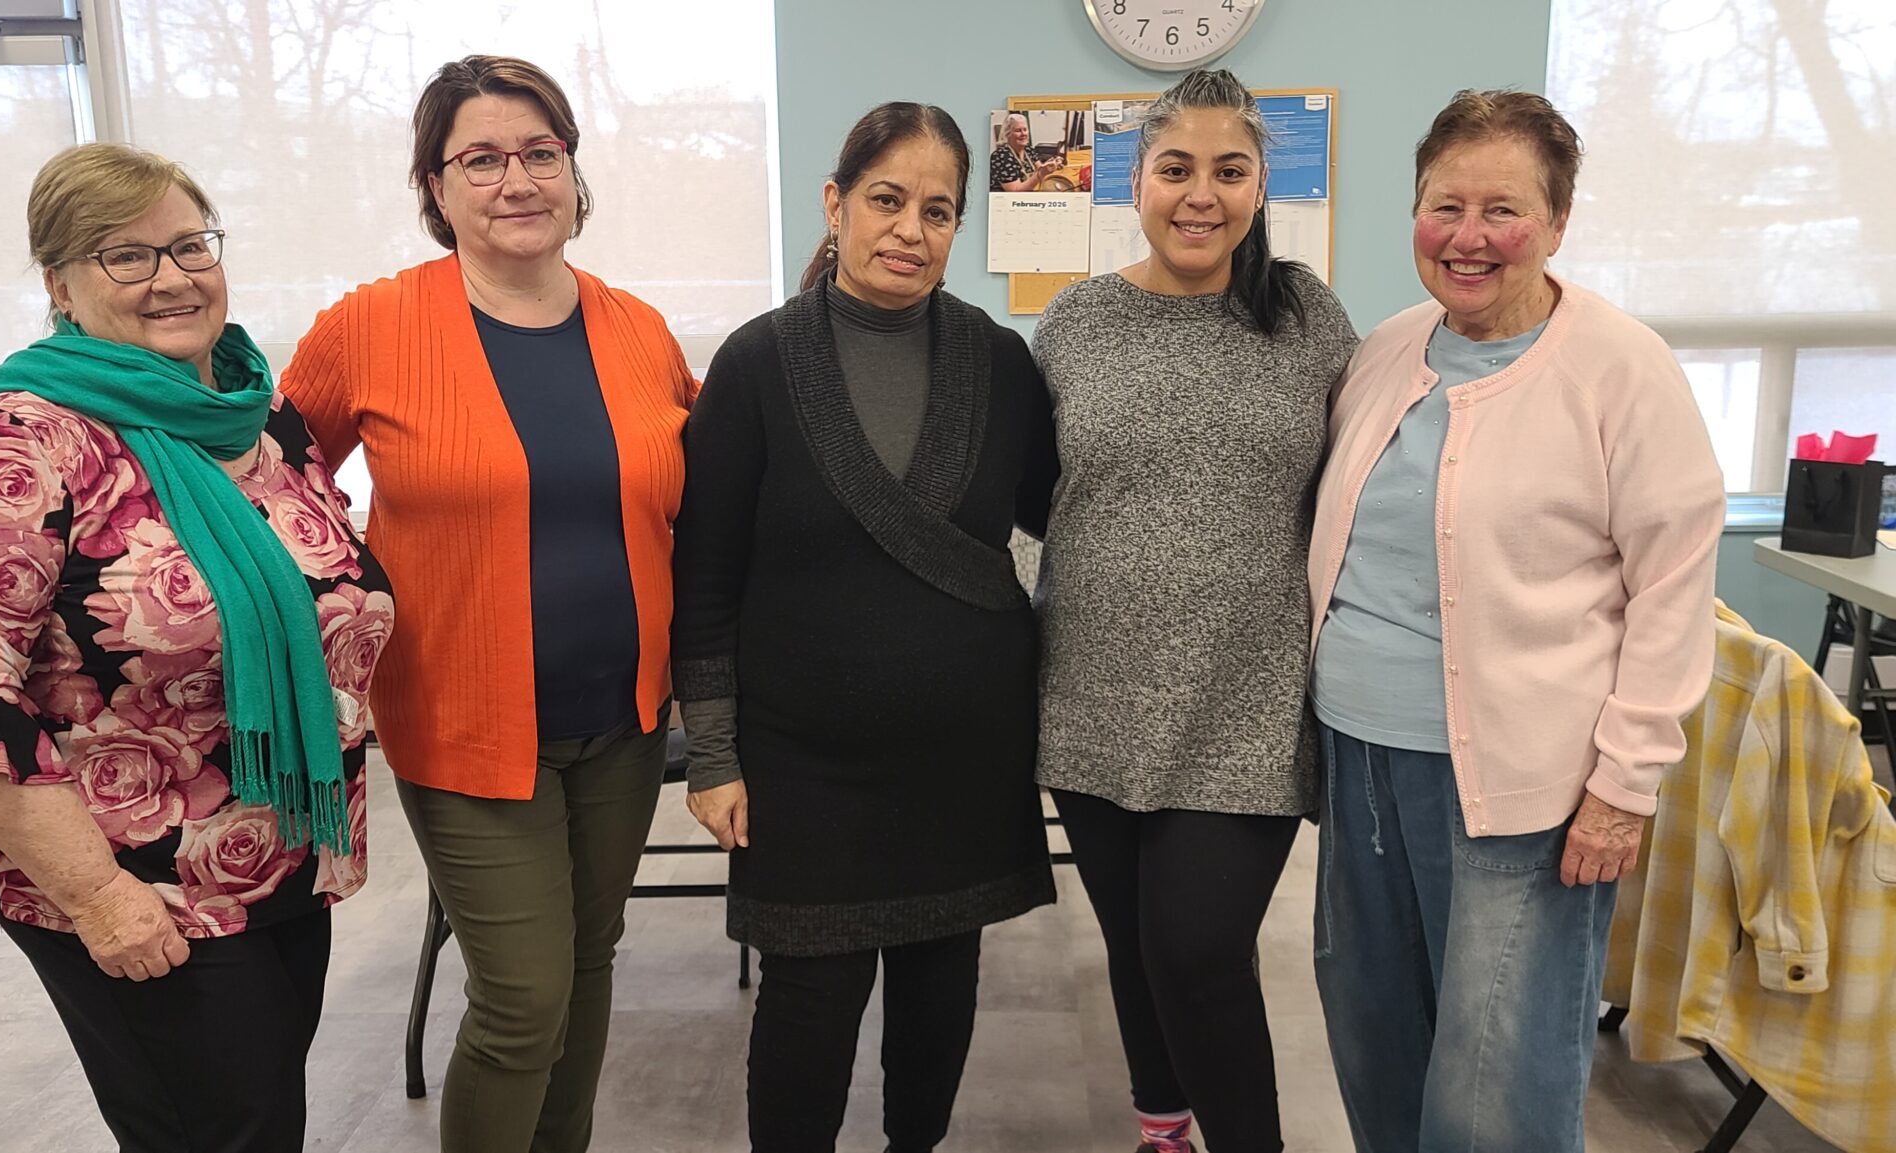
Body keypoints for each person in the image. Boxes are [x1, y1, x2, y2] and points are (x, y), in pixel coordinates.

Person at [0, 142, 393, 1152]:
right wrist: (99, 897)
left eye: (190, 245)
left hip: (275, 852)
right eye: (126, 255)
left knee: (256, 1121)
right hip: (127, 873)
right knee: (222, 1131)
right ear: (58, 283)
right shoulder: (11, 441)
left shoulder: (255, 415)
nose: (172, 277)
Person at [280, 55, 697, 1153]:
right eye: (480, 159)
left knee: (588, 966)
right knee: (521, 998)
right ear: (436, 185)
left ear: (571, 169)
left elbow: (700, 488)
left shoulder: (637, 329)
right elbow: (277, 494)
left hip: (624, 719)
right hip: (463, 723)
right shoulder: (372, 325)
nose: (517, 180)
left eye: (539, 153)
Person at [1306, 90, 1726, 1153]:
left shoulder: (1619, 367)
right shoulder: (1387, 350)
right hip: (1359, 758)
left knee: (1497, 1080)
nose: (1469, 236)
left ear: (1557, 221)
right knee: (1375, 1038)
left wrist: (1624, 786)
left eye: (1503, 209)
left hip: (1526, 784)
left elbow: (1674, 587)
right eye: (1444, 206)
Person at [674, 101, 1058, 1153]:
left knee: (940, 982)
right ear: (835, 203)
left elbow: (1067, 509)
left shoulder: (999, 361)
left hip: (964, 747)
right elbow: (703, 575)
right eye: (887, 199)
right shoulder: (756, 365)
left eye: (938, 211)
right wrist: (714, 752)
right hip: (802, 756)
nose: (909, 230)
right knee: (811, 996)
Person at [1030, 69, 1358, 1153]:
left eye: (1229, 170)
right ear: (1136, 181)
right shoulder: (1074, 322)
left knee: (1196, 949)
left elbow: (1360, 485)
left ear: (1261, 186)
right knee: (1136, 945)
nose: (1200, 194)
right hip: (1091, 695)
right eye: (1176, 168)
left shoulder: (1305, 316)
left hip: (1245, 702)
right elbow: (1035, 492)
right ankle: (1162, 1131)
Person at [990, 112, 1066, 191]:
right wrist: (1041, 173)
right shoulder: (1001, 156)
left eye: (1025, 130)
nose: (1023, 134)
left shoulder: (1028, 149)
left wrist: (1051, 164)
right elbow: (1015, 191)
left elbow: (1039, 168)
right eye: (1018, 130)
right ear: (1008, 133)